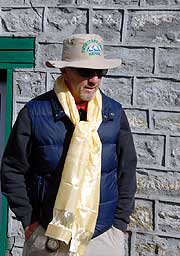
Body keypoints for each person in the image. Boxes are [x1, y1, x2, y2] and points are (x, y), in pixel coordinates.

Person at [1, 34, 137, 256]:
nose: (94, 80)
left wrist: (118, 226)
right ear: (65, 71)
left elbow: (127, 171)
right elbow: (12, 170)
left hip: (101, 237)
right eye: (85, 72)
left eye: (100, 72)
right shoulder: (35, 114)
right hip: (48, 236)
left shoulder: (113, 114)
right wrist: (30, 223)